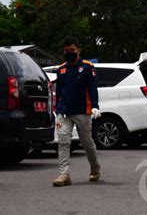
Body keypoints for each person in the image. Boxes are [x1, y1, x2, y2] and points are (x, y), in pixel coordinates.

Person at [53, 36, 101, 187]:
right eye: (67, 50)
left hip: (82, 110)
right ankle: (64, 174)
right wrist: (56, 109)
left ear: (78, 50)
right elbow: (59, 90)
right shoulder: (61, 69)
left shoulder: (87, 67)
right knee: (63, 141)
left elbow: (92, 88)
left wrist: (95, 106)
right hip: (64, 111)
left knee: (87, 142)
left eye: (72, 50)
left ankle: (95, 167)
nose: (69, 53)